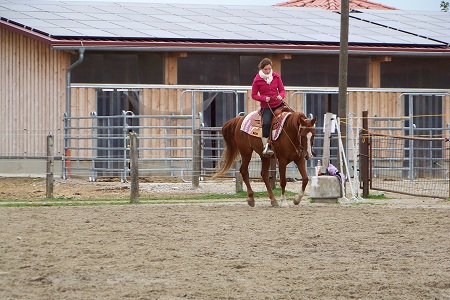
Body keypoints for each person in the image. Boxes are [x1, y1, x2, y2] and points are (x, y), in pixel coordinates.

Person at [251, 58, 286, 157]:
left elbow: (282, 90)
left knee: (290, 117)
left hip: (278, 104)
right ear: (261, 69)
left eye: (269, 69)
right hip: (266, 106)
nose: (268, 71)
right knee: (266, 123)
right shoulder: (257, 80)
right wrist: (263, 98)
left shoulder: (276, 77)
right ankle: (266, 145)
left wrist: (281, 96)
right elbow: (253, 95)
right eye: (266, 69)